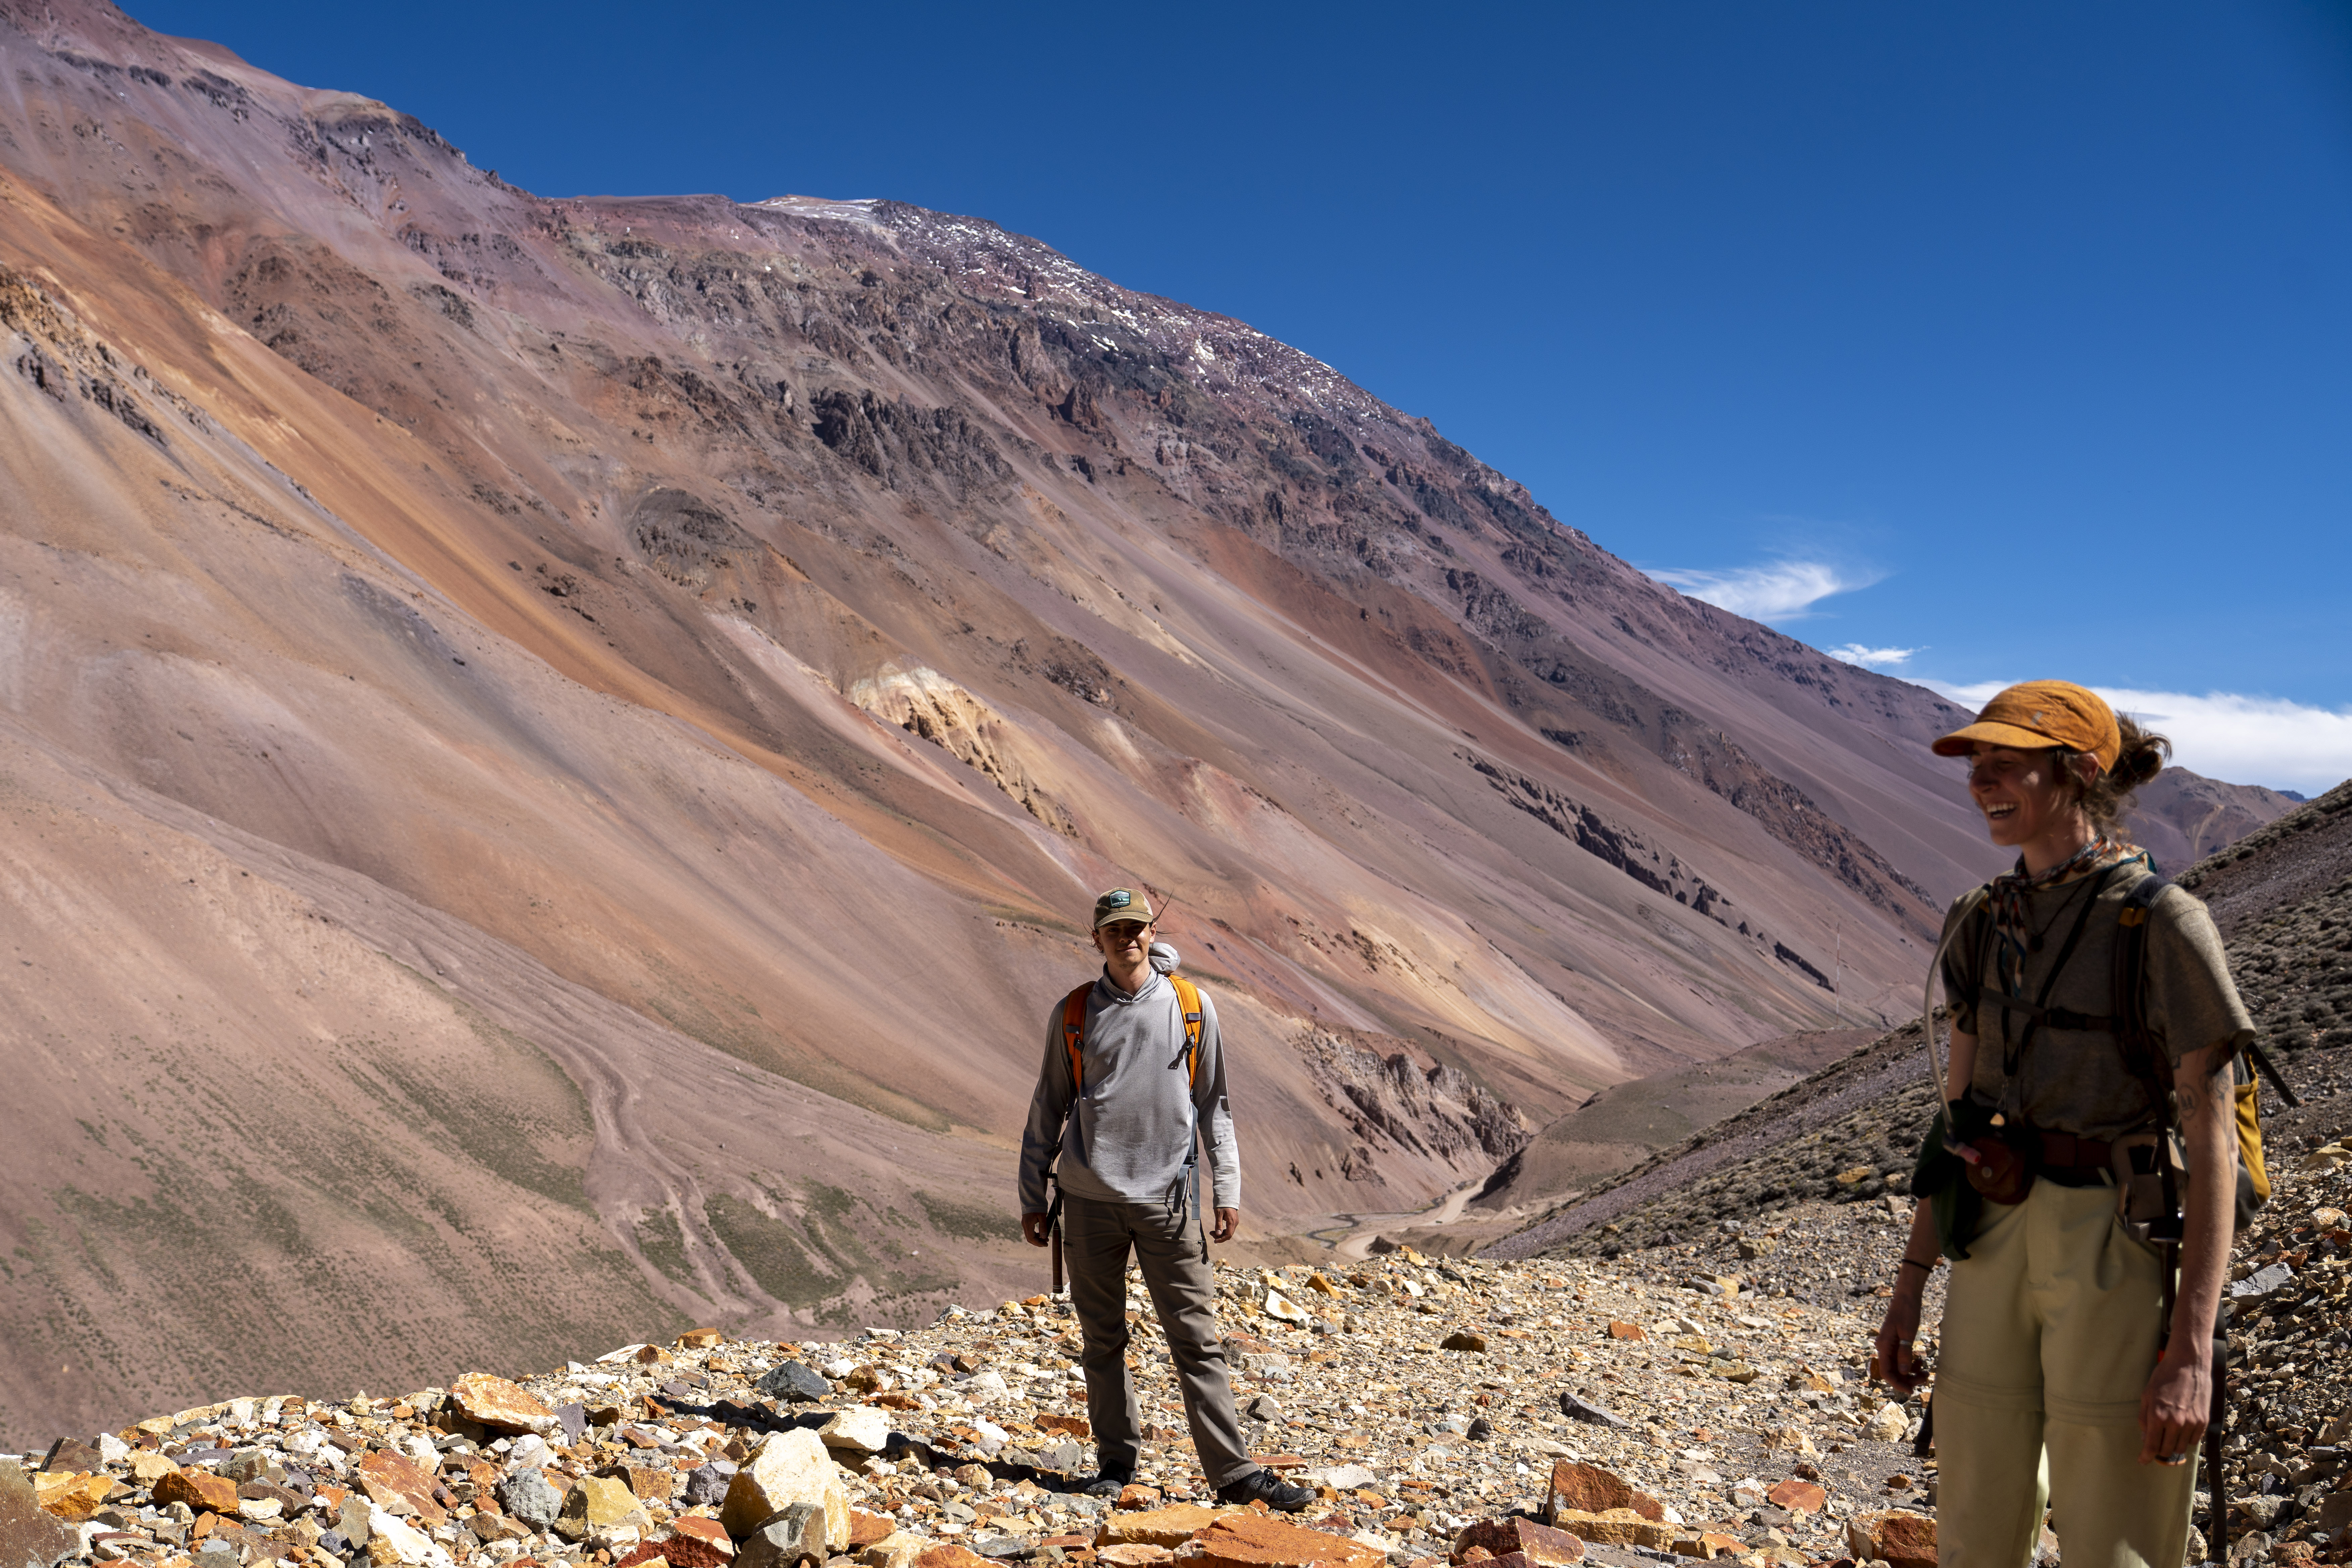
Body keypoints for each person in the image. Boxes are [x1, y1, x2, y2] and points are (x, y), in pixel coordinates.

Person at [1875, 682, 2252, 1568]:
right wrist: (1910, 1284)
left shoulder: (2163, 925)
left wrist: (2191, 1352)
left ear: (2080, 771)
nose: (1982, 781)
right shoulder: (1981, 920)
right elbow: (1959, 1116)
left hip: (2117, 1241)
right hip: (1994, 1231)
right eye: (1978, 763)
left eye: (2008, 763)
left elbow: (2214, 1143)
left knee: (2116, 1531)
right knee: (1974, 1514)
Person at [1018, 887, 1312, 1511]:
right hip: (1089, 1201)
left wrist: (1226, 1187)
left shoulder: (1191, 1006)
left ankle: (1232, 1473)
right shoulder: (1074, 1014)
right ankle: (1115, 1464)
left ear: (1152, 933)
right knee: (1102, 1339)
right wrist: (1033, 1196)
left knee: (1196, 1340)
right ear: (1095, 939)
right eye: (1113, 930)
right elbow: (1048, 1105)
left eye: (1135, 927)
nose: (1126, 938)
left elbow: (1216, 1106)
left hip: (1170, 1204)